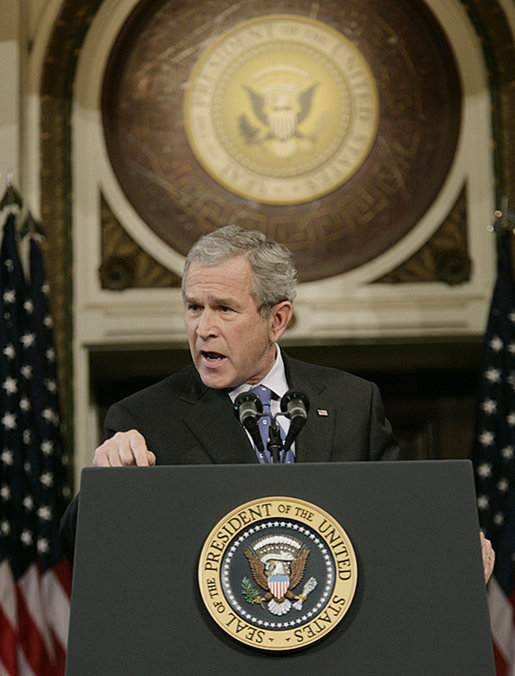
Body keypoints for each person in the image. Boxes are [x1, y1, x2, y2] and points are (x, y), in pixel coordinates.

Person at [59, 225, 494, 581]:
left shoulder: (351, 402)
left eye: (224, 309)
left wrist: (449, 548)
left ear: (277, 319)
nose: (203, 328)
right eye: (194, 307)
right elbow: (83, 550)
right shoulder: (145, 418)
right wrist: (104, 486)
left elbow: (397, 522)